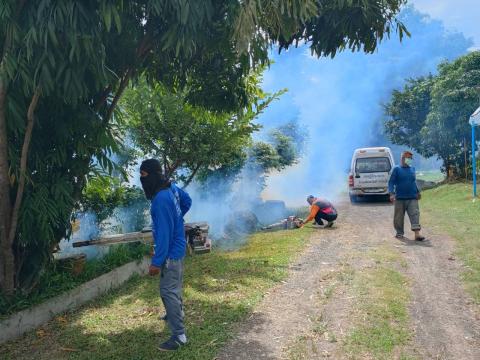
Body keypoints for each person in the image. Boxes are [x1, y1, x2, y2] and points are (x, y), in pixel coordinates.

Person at [139, 159, 192, 351]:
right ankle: (174, 313)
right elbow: (187, 201)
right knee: (173, 287)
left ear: (152, 175)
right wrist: (177, 219)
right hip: (177, 247)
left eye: (143, 175)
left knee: (168, 290)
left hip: (170, 252)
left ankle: (179, 336)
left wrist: (156, 262)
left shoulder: (161, 200)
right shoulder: (171, 188)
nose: (141, 179)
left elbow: (163, 236)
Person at [388, 151, 425, 241]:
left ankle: (417, 234)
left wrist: (418, 192)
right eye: (408, 158)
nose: (410, 160)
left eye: (411, 158)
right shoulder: (396, 169)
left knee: (415, 214)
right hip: (400, 198)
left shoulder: (412, 169)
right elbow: (391, 182)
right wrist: (392, 194)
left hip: (412, 197)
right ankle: (399, 233)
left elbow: (414, 182)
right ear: (402, 158)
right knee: (398, 217)